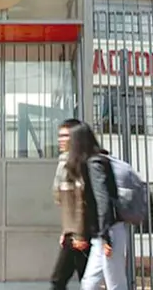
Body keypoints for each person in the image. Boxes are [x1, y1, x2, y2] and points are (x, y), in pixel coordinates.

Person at [63, 122, 129, 290]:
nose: (63, 142)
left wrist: (107, 237)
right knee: (89, 284)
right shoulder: (90, 163)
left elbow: (103, 200)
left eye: (68, 138)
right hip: (101, 234)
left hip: (109, 232)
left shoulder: (95, 164)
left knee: (115, 284)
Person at [51, 118, 88, 290]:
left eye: (65, 135)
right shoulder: (64, 162)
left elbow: (81, 201)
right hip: (71, 234)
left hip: (80, 236)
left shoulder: (78, 164)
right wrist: (65, 232)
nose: (60, 139)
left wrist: (79, 235)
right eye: (59, 135)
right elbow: (66, 203)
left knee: (59, 280)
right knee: (83, 280)